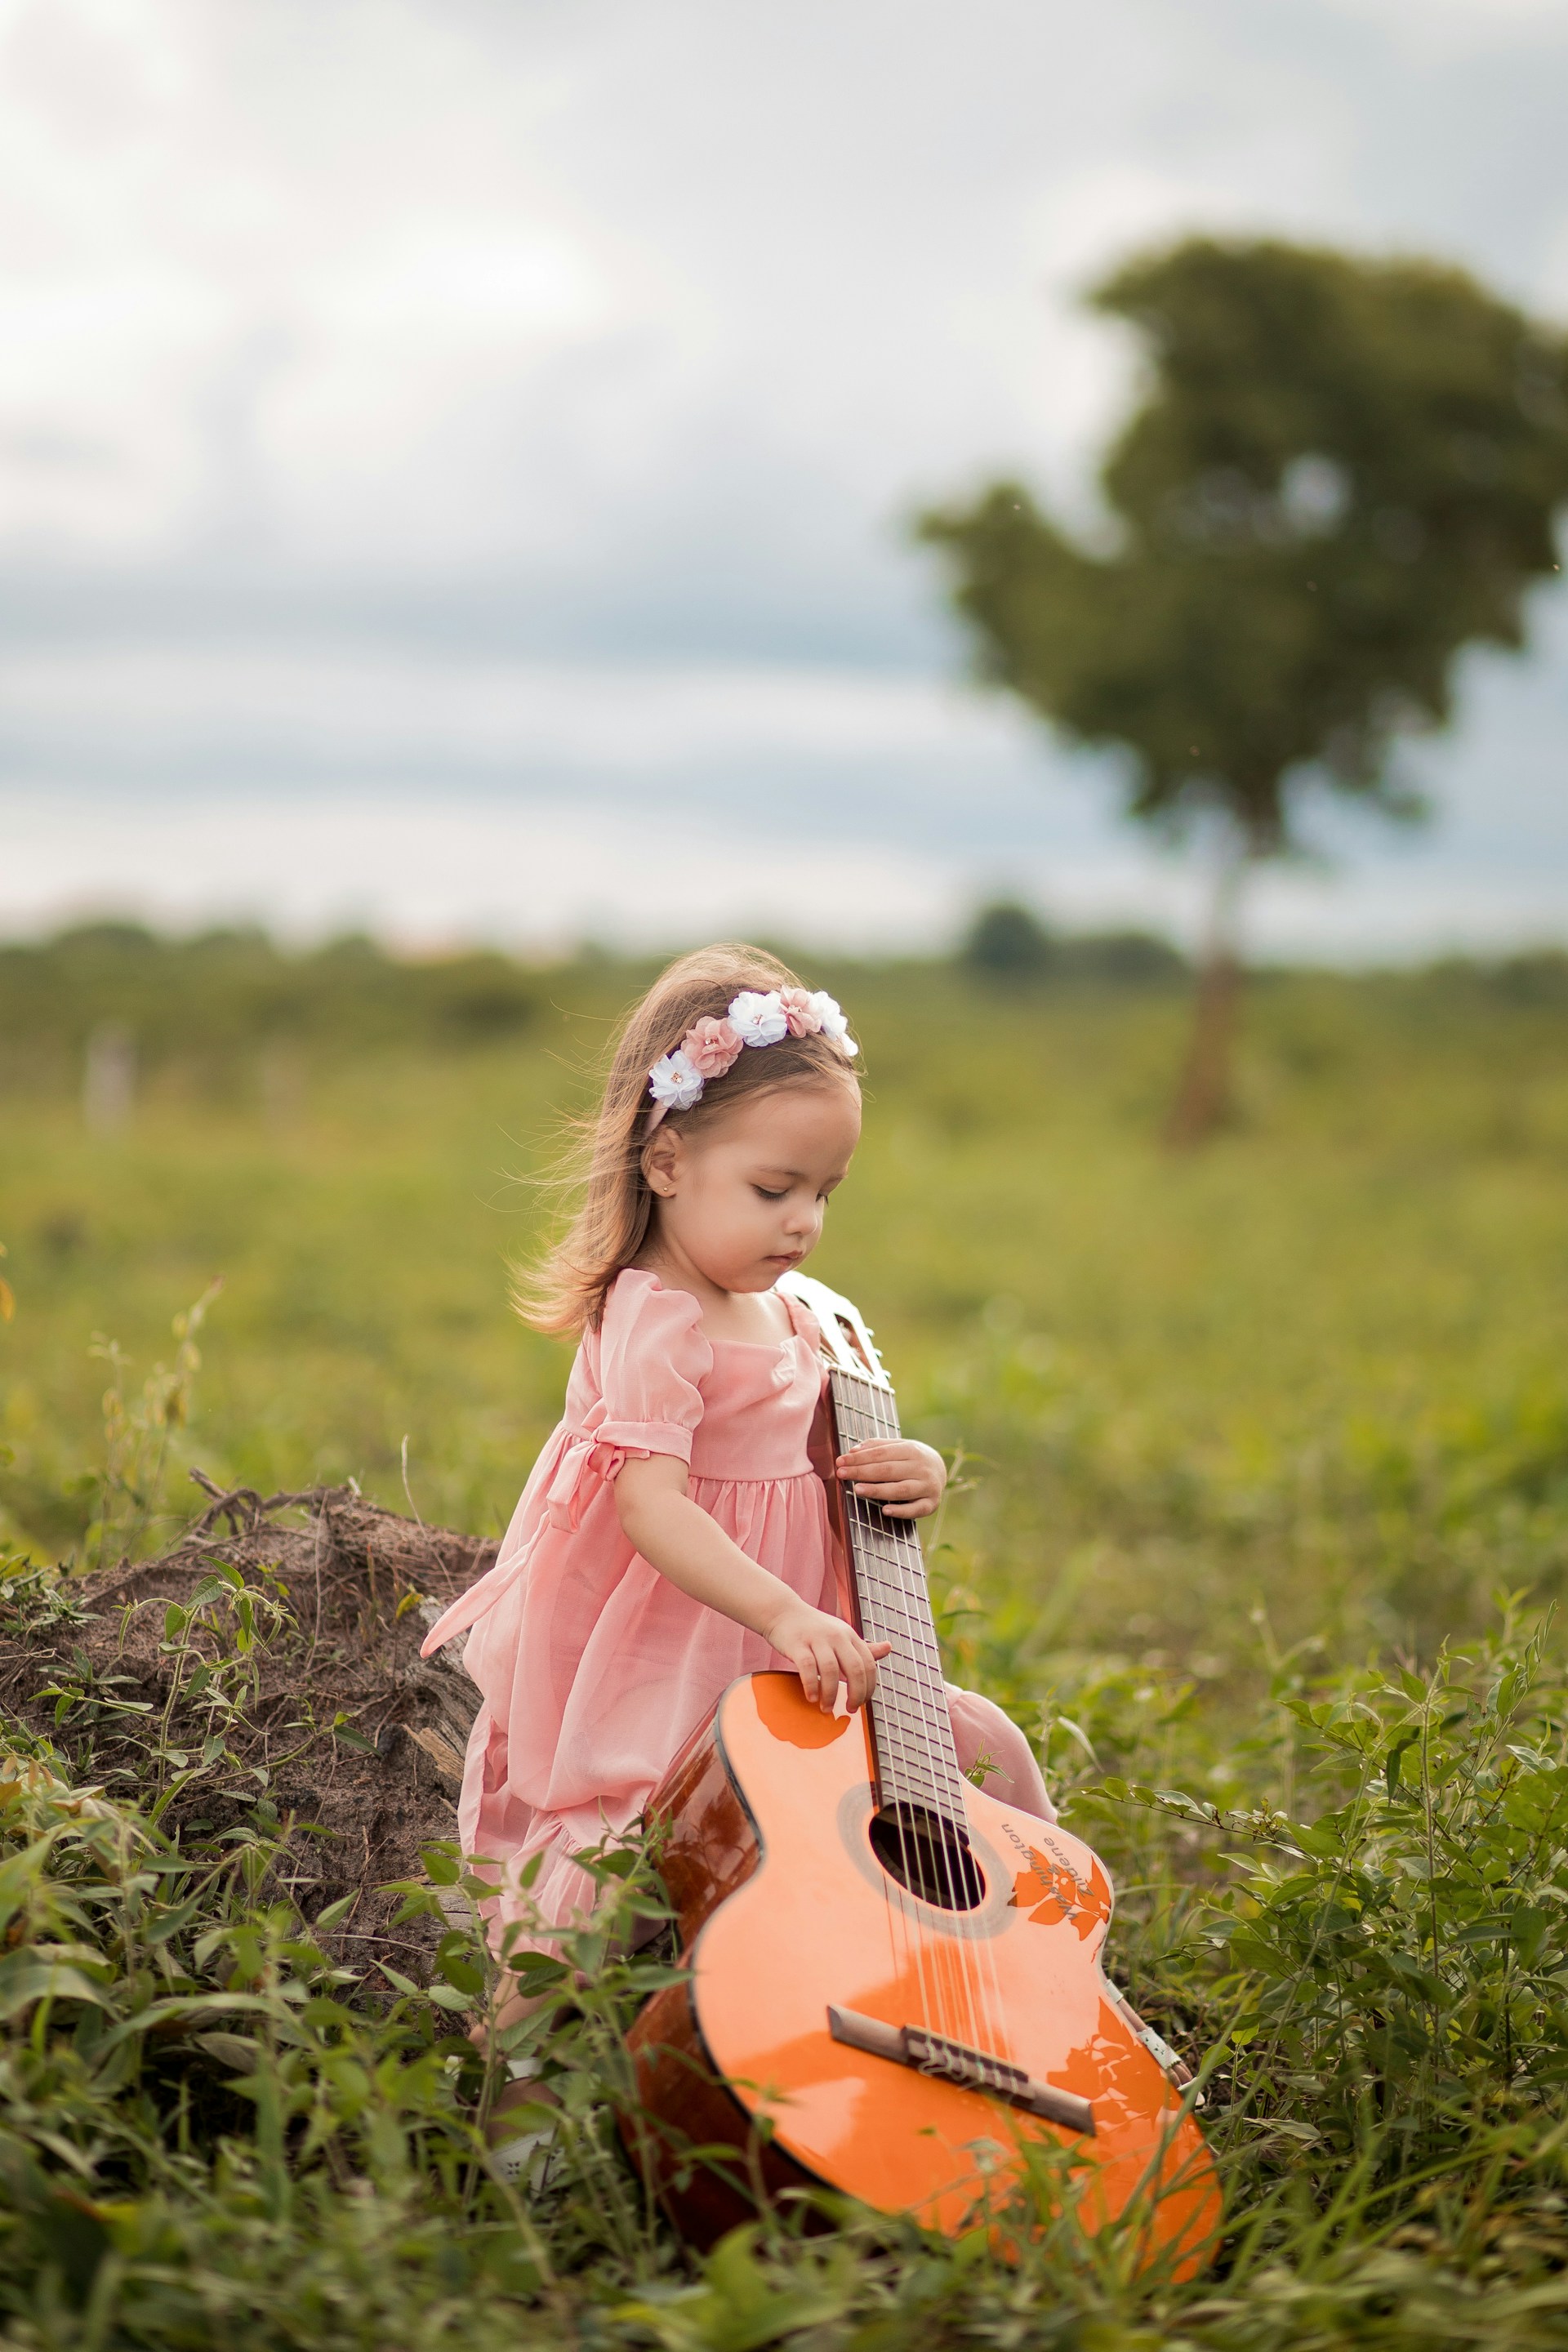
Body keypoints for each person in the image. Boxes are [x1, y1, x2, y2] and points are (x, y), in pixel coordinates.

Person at [420, 942, 1056, 1990]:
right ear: (665, 1162)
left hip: (790, 1641)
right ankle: (525, 2091)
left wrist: (912, 1471)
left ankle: (1035, 1977)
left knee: (978, 1750)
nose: (804, 1222)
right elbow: (652, 1509)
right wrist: (782, 1615)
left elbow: (817, 1462)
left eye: (824, 1191)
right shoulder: (652, 1318)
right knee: (621, 1845)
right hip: (669, 1649)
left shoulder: (799, 1313)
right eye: (773, 1188)